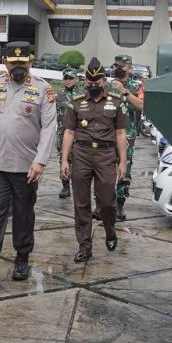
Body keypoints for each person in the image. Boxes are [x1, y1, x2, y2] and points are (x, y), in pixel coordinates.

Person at [0, 42, 57, 287]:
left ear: (30, 62)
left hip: (26, 167)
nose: (18, 66)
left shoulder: (43, 89)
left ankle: (22, 259)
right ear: (5, 63)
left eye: (22, 63)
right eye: (13, 62)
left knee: (23, 214)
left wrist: (40, 161)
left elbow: (49, 127)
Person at [61, 58, 128, 262]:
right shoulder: (76, 101)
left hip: (106, 155)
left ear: (104, 80)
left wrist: (122, 161)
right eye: (89, 82)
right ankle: (85, 246)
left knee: (107, 201)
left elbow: (120, 133)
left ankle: (110, 230)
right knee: (81, 203)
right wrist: (64, 160)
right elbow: (69, 132)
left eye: (96, 82)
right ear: (85, 81)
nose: (92, 85)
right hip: (81, 154)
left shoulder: (116, 101)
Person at [107, 54, 144, 221]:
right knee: (104, 168)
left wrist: (124, 91)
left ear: (129, 68)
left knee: (125, 168)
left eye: (121, 66)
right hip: (107, 133)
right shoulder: (107, 85)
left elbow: (142, 105)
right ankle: (102, 204)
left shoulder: (136, 86)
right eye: (115, 65)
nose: (118, 68)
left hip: (127, 133)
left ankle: (120, 204)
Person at [54, 67, 79, 199]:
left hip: (79, 133)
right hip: (62, 133)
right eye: (66, 78)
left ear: (76, 79)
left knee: (79, 160)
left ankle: (78, 185)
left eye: (71, 78)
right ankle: (65, 186)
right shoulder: (58, 95)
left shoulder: (83, 94)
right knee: (63, 159)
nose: (68, 81)